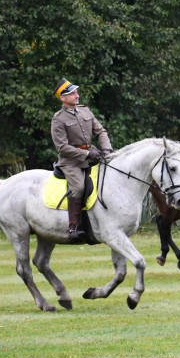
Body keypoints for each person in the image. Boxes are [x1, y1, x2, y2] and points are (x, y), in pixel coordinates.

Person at [50, 78, 113, 242]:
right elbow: (62, 147)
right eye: (72, 94)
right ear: (63, 98)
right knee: (78, 186)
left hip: (92, 156)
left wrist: (106, 149)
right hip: (71, 162)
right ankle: (73, 228)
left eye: (76, 92)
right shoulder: (58, 119)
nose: (77, 96)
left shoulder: (85, 111)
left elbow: (101, 132)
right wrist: (85, 155)